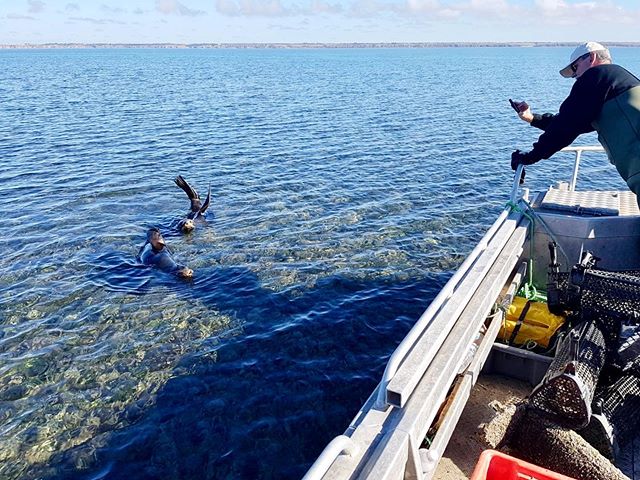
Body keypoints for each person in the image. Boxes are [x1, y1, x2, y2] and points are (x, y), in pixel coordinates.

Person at [510, 41, 640, 200]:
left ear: (591, 58)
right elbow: (571, 122)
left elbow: (564, 129)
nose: (574, 75)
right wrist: (532, 118)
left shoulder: (596, 75)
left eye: (575, 67)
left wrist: (529, 157)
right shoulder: (618, 82)